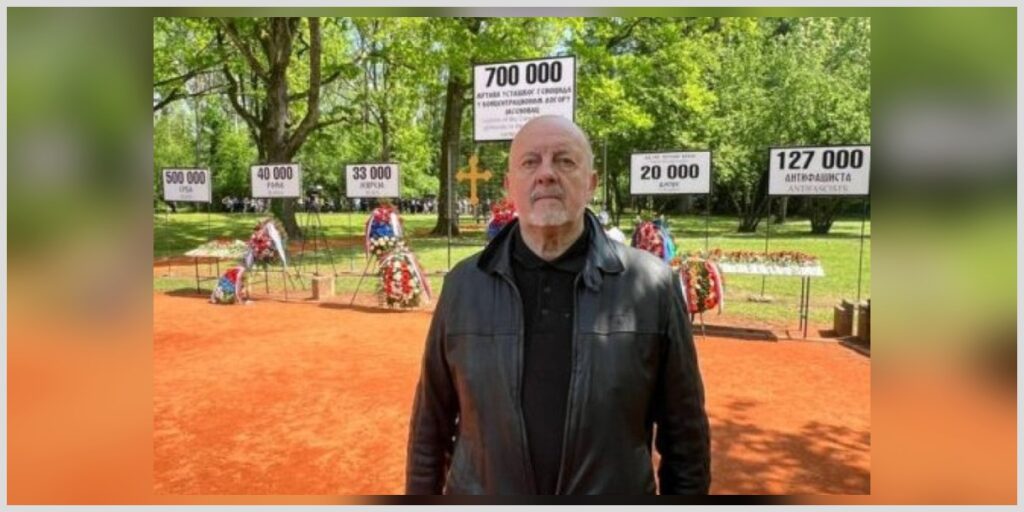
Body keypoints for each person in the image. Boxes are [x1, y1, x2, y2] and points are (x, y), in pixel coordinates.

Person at [406, 115, 710, 495]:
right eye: (530, 162)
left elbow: (686, 441)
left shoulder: (653, 286)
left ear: (591, 183)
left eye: (565, 161)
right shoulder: (463, 286)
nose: (546, 174)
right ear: (509, 185)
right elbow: (429, 428)